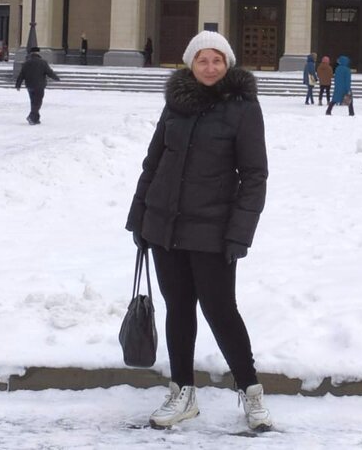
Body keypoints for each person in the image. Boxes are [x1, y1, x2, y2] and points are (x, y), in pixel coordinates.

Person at [126, 30, 273, 432]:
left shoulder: (242, 108)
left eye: (218, 60)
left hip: (213, 230)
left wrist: (240, 232)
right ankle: (183, 391)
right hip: (164, 225)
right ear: (191, 64)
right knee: (178, 310)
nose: (210, 67)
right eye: (203, 60)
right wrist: (139, 217)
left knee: (221, 312)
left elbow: (254, 175)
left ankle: (251, 392)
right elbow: (152, 163)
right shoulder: (176, 105)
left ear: (228, 65)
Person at [14, 46, 60, 125]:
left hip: (29, 85)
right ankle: (31, 117)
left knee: (33, 102)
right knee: (38, 102)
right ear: (38, 53)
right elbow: (49, 72)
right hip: (39, 86)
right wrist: (56, 78)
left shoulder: (26, 63)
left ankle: (35, 119)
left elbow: (21, 75)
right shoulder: (43, 62)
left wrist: (18, 85)